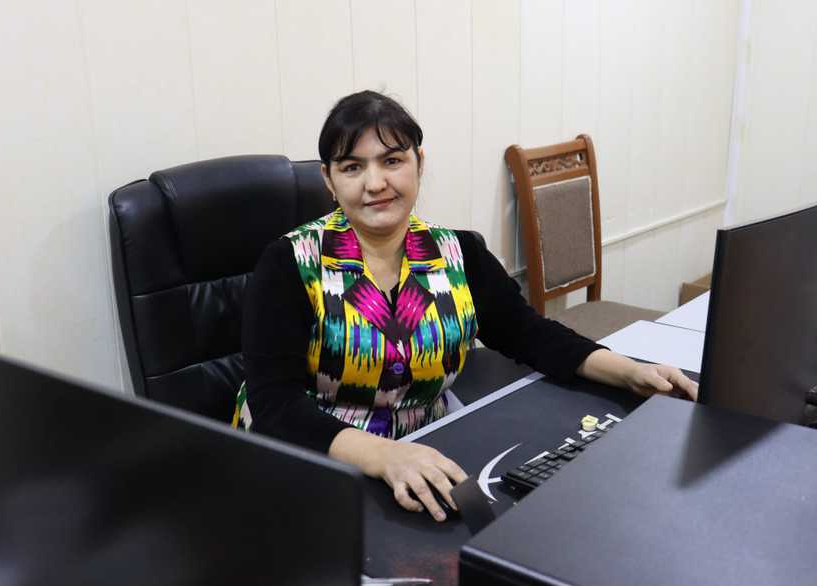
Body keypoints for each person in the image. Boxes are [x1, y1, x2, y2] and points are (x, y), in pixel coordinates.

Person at [234, 90, 698, 522]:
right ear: (329, 180)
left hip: (428, 451)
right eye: (353, 167)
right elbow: (276, 405)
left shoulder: (458, 253)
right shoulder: (291, 263)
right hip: (311, 459)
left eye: (392, 160)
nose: (375, 183)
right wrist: (384, 456)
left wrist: (630, 371)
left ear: (419, 163)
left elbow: (528, 334)